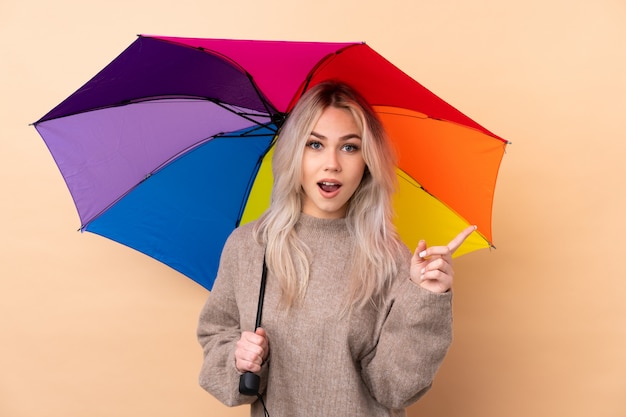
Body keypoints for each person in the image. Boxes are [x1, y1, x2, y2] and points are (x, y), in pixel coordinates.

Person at [197, 81, 476, 416]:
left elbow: (395, 389)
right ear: (294, 153)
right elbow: (217, 341)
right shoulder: (249, 247)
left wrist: (424, 300)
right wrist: (238, 360)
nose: (331, 163)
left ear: (367, 161)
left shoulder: (392, 258)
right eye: (315, 144)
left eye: (349, 148)